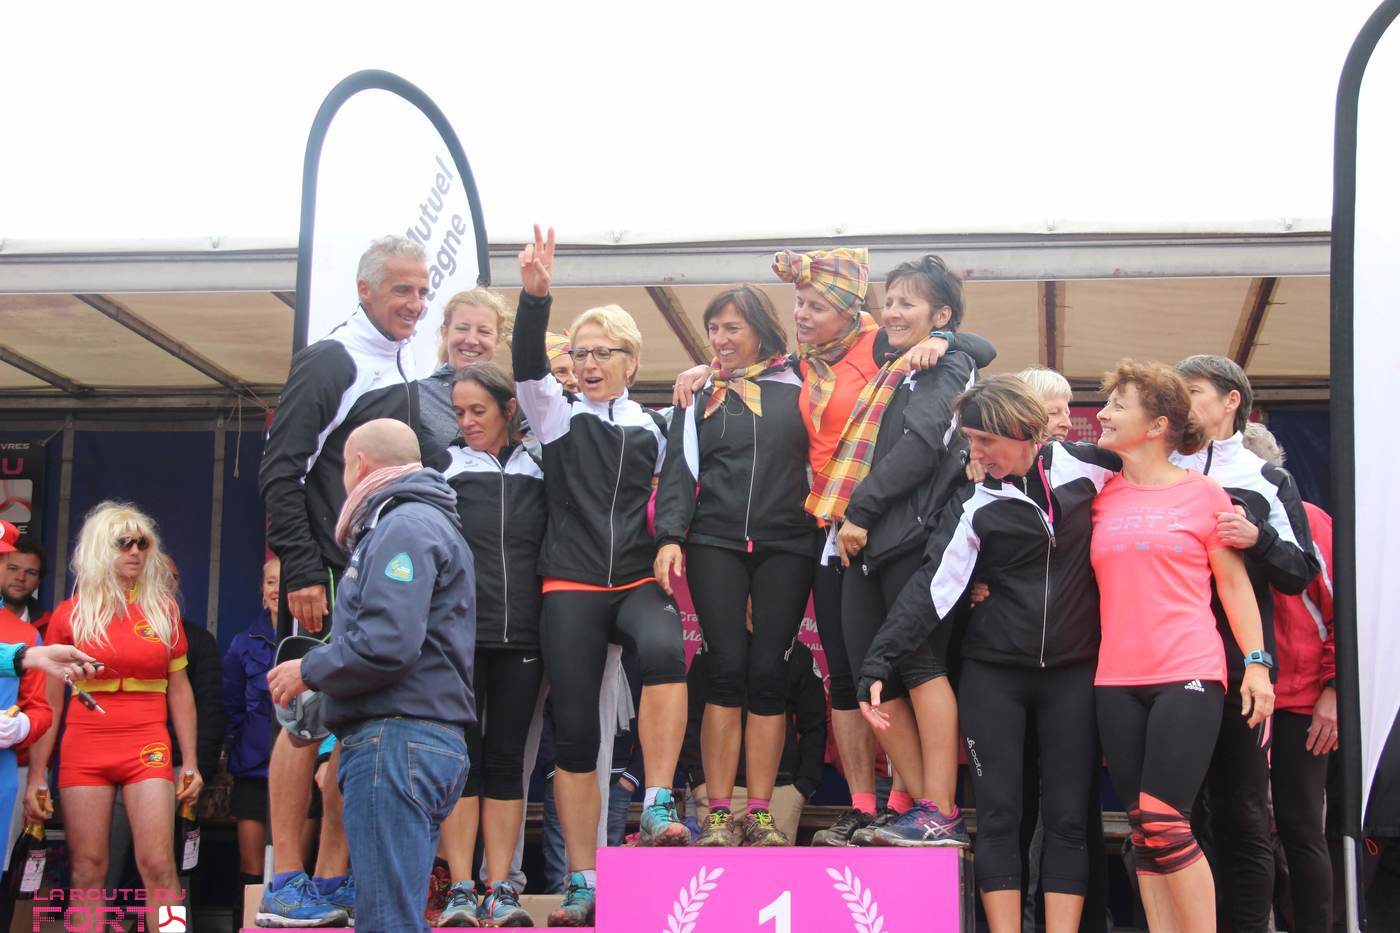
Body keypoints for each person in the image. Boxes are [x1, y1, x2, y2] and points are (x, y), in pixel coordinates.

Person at [675, 248, 994, 846]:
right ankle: (870, 806)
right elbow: (746, 362)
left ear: (849, 310)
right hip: (831, 527)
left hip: (887, 521)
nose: (802, 314)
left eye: (817, 305)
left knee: (909, 665)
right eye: (798, 303)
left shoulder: (884, 348)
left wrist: (949, 341)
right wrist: (702, 368)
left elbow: (963, 371)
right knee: (851, 673)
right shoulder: (804, 364)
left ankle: (920, 804)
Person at [858, 376, 1118, 930]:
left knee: (1069, 819)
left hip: (1073, 674)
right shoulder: (972, 501)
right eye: (969, 441)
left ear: (1022, 431)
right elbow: (931, 587)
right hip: (994, 675)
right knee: (998, 817)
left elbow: (1167, 474)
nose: (974, 453)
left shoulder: (1091, 468)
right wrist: (878, 662)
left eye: (984, 441)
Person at [513, 226, 689, 927]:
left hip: (636, 578)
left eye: (601, 352)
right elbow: (527, 365)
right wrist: (536, 300)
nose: (587, 364)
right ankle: (582, 878)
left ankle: (658, 802)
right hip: (573, 584)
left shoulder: (657, 425)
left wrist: (669, 540)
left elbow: (677, 492)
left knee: (668, 649)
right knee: (577, 734)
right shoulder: (555, 416)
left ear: (631, 360)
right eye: (579, 353)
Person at [257, 234, 427, 925]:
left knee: (351, 729)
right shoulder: (333, 357)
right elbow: (280, 469)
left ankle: (329, 882)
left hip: (371, 576)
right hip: (323, 574)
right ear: (364, 290)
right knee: (302, 722)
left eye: (423, 291)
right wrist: (301, 566)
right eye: (401, 290)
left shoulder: (406, 360)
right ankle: (283, 880)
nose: (415, 303)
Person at [268, 418, 475, 933]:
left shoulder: (403, 526)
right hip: (417, 739)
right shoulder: (422, 521)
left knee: (386, 922)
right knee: (395, 916)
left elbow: (388, 644)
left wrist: (308, 669)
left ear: (357, 464)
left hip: (396, 741)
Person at [1090, 360, 1274, 932]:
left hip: (1187, 670)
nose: (1102, 414)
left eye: (1118, 406)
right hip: (1115, 678)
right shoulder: (1099, 494)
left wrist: (1257, 665)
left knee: (1168, 821)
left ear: (1157, 425)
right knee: (1143, 828)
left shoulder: (1204, 493)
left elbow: (1235, 586)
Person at [830, 255, 985, 847]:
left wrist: (861, 511)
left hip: (914, 538)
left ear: (940, 315)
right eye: (889, 300)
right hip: (866, 541)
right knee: (869, 675)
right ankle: (924, 810)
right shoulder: (893, 363)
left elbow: (923, 446)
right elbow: (816, 345)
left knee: (919, 666)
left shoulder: (948, 362)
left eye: (908, 303)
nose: (892, 312)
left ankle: (941, 808)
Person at [653, 284, 816, 847]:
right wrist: (670, 536)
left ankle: (761, 813)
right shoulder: (698, 393)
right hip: (714, 541)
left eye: (732, 328)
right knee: (724, 669)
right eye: (713, 328)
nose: (720, 339)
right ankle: (719, 813)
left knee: (769, 673)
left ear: (761, 331)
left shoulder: (804, 383)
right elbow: (679, 471)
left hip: (789, 541)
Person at [1172, 355, 1319, 933]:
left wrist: (1257, 539)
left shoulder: (1268, 479)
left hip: (1243, 667)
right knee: (1172, 819)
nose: (1182, 401)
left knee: (1245, 817)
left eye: (1193, 390)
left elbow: (1300, 572)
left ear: (1232, 399)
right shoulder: (1157, 467)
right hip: (1170, 664)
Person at [23, 502, 202, 919]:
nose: (135, 551)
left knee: (159, 865)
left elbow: (181, 691)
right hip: (85, 747)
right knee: (87, 869)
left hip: (147, 743)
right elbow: (49, 701)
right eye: (124, 543)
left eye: (142, 543)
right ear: (101, 548)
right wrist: (36, 774)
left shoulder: (164, 610)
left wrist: (191, 761)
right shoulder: (70, 614)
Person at [432, 363, 547, 927]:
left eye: (479, 410)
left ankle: (500, 888)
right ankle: (459, 888)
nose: (468, 421)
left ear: (509, 408)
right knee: (461, 761)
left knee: (505, 761)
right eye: (459, 412)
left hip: (524, 633)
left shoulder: (543, 465)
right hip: (459, 637)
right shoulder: (444, 467)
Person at [1240, 422, 1337, 931]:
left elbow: (1344, 611)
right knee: (1245, 828)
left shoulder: (1311, 521)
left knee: (1301, 827)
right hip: (1238, 696)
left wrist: (1334, 691)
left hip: (1301, 697)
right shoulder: (1214, 518)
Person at [682, 627, 827, 844]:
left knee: (774, 867)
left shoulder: (797, 653)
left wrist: (802, 787)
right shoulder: (712, 650)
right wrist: (698, 781)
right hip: (718, 794)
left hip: (779, 793)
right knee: (715, 866)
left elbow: (814, 725)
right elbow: (690, 718)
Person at [0, 520, 53, 924]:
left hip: (6, 770)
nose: (18, 576)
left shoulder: (26, 633)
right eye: (9, 565)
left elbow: (42, 708)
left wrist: (21, 728)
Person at [223, 558, 282, 925]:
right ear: (262, 590)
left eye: (284, 582)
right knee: (252, 870)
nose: (277, 590)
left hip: (303, 773)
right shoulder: (243, 643)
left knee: (293, 871)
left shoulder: (317, 639)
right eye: (271, 582)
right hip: (254, 772)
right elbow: (230, 707)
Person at [418, 288, 513, 456]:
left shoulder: (513, 395)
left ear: (499, 340)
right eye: (462, 329)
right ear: (445, 332)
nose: (471, 340)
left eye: (484, 331)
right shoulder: (417, 397)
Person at [2, 532, 49, 634]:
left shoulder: (49, 626)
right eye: (13, 568)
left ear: (38, 582)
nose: (21, 578)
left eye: (31, 572)